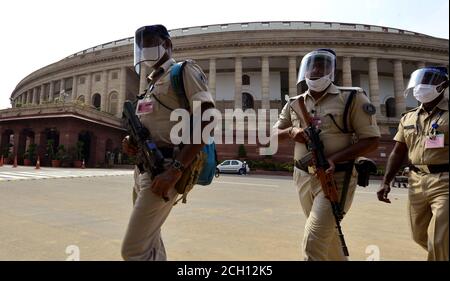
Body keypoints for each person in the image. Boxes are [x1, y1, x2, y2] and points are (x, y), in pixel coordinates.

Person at [273, 48, 380, 260]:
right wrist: (292, 131)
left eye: (322, 65)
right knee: (327, 237)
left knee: (313, 241)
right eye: (311, 65)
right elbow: (273, 134)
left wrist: (334, 159)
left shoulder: (352, 97)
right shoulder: (294, 103)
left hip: (336, 177)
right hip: (303, 177)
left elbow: (371, 140)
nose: (316, 69)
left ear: (332, 71)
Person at [121, 24, 215, 261]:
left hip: (165, 167)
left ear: (168, 44)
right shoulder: (152, 82)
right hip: (143, 168)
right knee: (150, 241)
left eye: (151, 42)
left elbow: (207, 118)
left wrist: (176, 170)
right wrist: (130, 140)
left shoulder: (183, 71)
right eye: (142, 45)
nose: (146, 49)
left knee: (133, 250)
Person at [378, 66, 449, 261]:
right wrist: (386, 181)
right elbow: (398, 152)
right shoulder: (408, 117)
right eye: (420, 80)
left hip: (445, 181)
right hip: (416, 180)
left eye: (430, 81)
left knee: (439, 240)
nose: (422, 86)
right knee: (419, 235)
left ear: (443, 85)